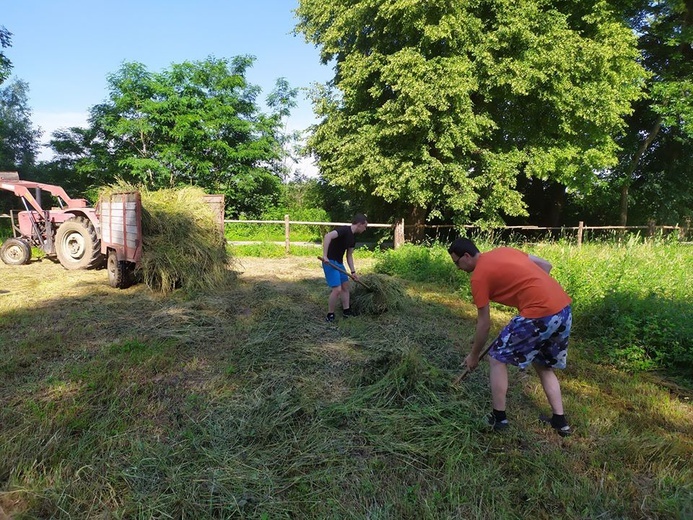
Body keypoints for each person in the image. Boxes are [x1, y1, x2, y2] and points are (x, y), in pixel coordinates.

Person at [448, 237, 573, 437]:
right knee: (543, 364)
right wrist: (532, 296)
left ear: (467, 256)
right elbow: (545, 265)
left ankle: (499, 418)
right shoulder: (504, 250)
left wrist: (473, 356)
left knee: (496, 358)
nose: (458, 268)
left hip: (538, 314)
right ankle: (560, 422)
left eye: (457, 263)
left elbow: (484, 324)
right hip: (563, 309)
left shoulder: (478, 277)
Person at [321, 214, 368, 322]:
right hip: (329, 262)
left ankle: (347, 311)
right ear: (359, 224)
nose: (365, 229)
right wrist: (325, 256)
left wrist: (353, 272)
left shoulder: (352, 239)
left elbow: (349, 255)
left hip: (339, 263)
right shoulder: (344, 230)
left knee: (345, 286)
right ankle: (330, 314)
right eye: (364, 227)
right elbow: (328, 236)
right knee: (337, 289)